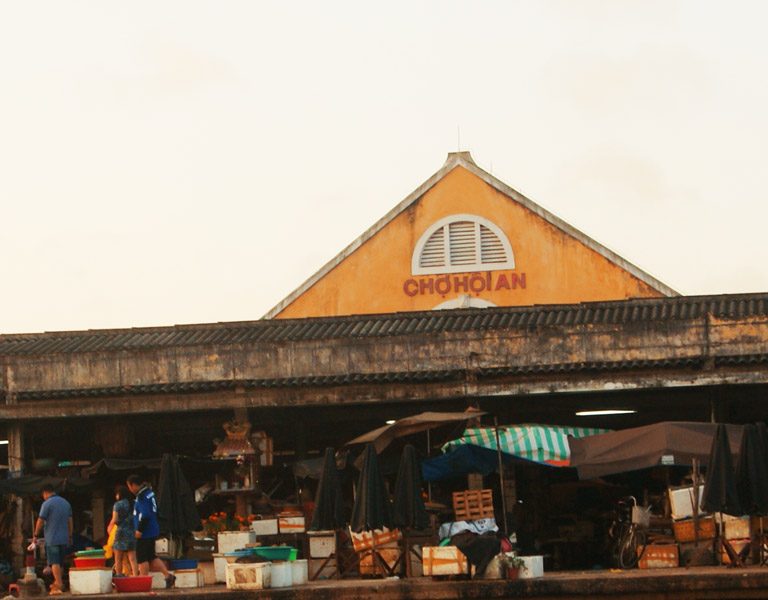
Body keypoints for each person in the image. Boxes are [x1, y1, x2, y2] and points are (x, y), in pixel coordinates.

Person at [125, 475, 175, 587]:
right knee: (151, 557)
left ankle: (143, 582)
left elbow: (146, 515)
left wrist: (139, 530)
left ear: (133, 485)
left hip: (145, 532)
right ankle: (168, 576)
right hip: (152, 530)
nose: (130, 489)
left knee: (142, 558)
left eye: (129, 486)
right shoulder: (149, 493)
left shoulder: (142, 496)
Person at [33, 484, 72, 596]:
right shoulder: (66, 503)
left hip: (52, 538)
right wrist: (70, 536)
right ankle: (58, 582)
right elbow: (70, 521)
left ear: (45, 493)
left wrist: (35, 534)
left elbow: (40, 520)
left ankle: (59, 584)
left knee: (54, 562)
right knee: (60, 562)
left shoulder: (47, 504)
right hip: (64, 538)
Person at [106, 485, 138, 577]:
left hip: (121, 532)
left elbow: (115, 519)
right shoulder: (134, 503)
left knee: (118, 558)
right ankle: (135, 575)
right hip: (132, 532)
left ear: (119, 494)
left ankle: (119, 575)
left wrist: (110, 526)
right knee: (132, 558)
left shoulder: (118, 505)